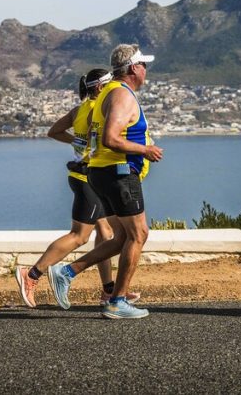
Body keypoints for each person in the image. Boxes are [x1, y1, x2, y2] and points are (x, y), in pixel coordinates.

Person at [47, 44, 163, 319]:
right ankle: (117, 301)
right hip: (118, 173)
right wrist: (145, 150)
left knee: (121, 236)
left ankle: (66, 272)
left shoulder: (107, 94)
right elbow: (111, 138)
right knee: (139, 234)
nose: (146, 70)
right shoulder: (122, 96)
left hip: (102, 172)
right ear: (134, 68)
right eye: (144, 65)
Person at [14, 68, 141, 308]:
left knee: (106, 233)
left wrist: (75, 140)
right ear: (102, 87)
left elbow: (54, 131)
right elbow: (102, 143)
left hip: (81, 175)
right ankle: (31, 275)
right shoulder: (98, 109)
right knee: (79, 236)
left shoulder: (79, 109)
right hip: (88, 177)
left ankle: (108, 289)